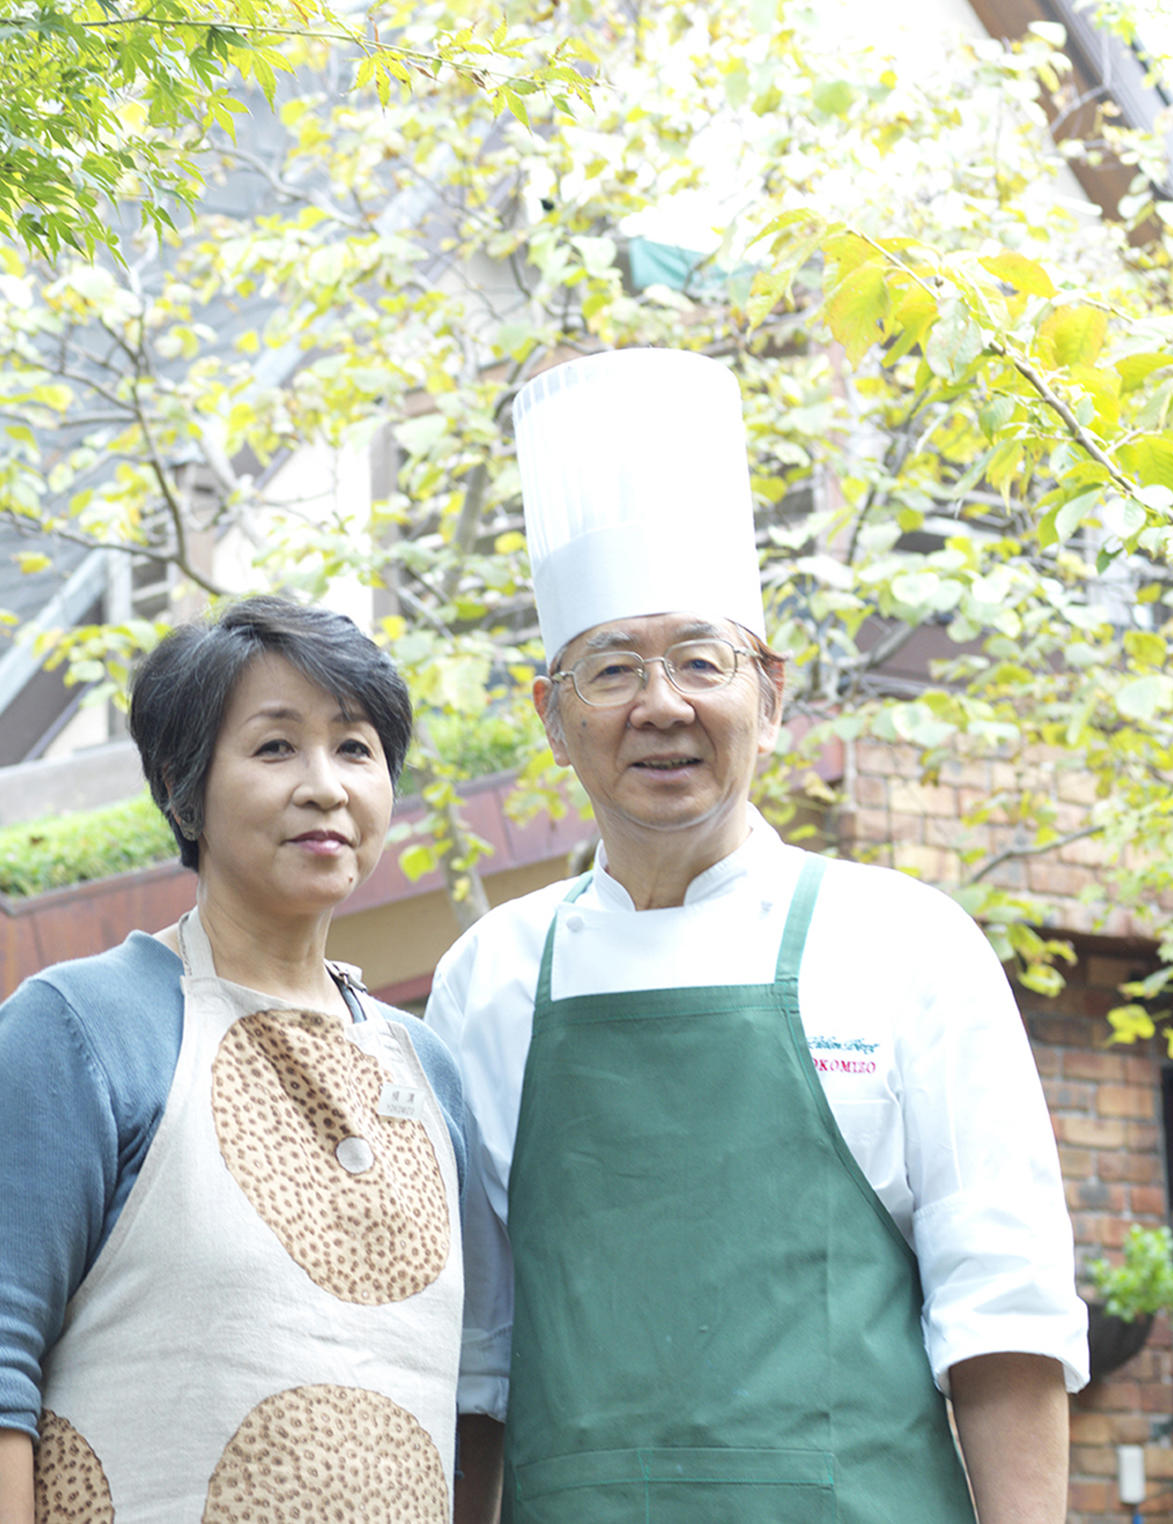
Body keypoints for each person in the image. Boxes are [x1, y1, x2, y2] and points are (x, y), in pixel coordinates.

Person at [426, 348, 1086, 1524]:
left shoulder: (907, 941)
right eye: (612, 668)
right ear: (551, 715)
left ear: (771, 694)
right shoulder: (490, 976)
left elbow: (1006, 1313)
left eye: (700, 658)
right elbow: (473, 1358)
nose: (661, 703)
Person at [0, 594, 509, 1522]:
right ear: (184, 789)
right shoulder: (78, 1029)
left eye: (356, 749)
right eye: (275, 747)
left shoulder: (425, 1070)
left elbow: (476, 1388)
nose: (326, 787)